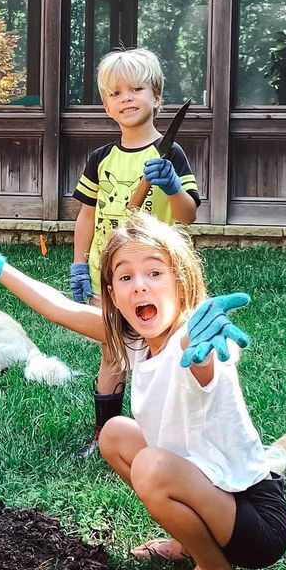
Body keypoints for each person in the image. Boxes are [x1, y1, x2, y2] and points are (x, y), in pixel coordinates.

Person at [0, 216, 286, 570]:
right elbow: (59, 309)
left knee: (152, 464)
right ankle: (190, 542)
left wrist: (206, 343)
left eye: (154, 272)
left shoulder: (193, 338)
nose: (139, 284)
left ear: (182, 283)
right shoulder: (135, 340)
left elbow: (206, 366)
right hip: (210, 495)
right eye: (125, 277)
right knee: (115, 434)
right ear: (113, 296)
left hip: (255, 520)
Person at [70, 47, 200, 456]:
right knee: (113, 351)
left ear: (156, 98)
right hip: (108, 275)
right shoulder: (100, 159)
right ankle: (104, 435)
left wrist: (172, 186)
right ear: (107, 106)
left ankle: (160, 432)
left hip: (155, 277)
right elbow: (86, 217)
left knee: (155, 354)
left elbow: (189, 215)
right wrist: (79, 265)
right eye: (115, 92)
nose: (125, 98)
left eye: (136, 89)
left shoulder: (169, 154)